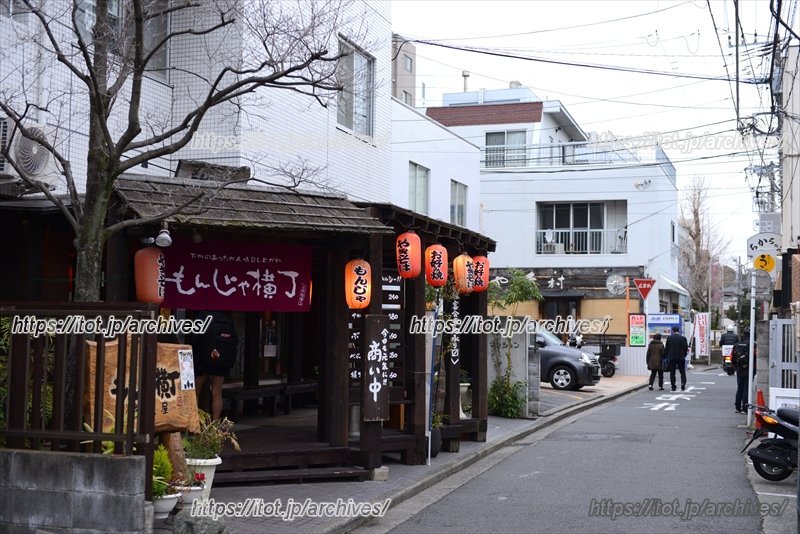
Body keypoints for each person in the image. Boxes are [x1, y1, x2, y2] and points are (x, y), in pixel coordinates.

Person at [189, 310, 239, 420]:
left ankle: (195, 424)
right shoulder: (227, 318)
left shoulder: (203, 315)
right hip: (221, 360)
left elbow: (195, 336)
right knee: (217, 393)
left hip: (203, 358)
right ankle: (214, 425)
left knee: (195, 393)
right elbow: (235, 340)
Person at [733, 341, 756, 414]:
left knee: (740, 388)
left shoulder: (736, 344)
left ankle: (737, 408)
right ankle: (745, 409)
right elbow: (755, 357)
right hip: (748, 369)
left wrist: (736, 367)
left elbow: (732, 358)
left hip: (739, 370)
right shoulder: (752, 344)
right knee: (746, 388)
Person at [665, 325, 689, 391]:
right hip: (681, 357)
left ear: (672, 331)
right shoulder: (683, 338)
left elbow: (667, 349)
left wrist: (665, 356)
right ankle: (683, 383)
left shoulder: (669, 338)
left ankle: (673, 386)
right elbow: (685, 348)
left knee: (672, 372)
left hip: (672, 357)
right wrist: (684, 355)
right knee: (682, 371)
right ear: (678, 331)